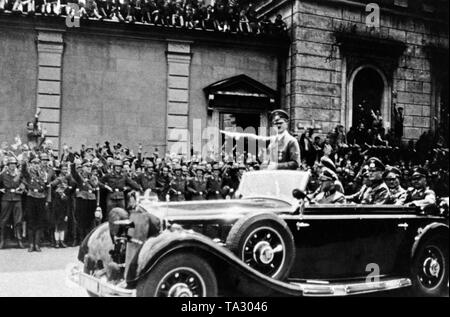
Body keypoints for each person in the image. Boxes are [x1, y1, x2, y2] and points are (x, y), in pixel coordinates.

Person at [21, 157, 49, 252]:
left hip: (41, 197)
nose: (36, 165)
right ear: (31, 165)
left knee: (39, 221)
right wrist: (24, 163)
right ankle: (31, 244)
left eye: (37, 164)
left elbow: (45, 185)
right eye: (34, 164)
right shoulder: (29, 173)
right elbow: (24, 171)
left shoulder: (43, 173)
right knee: (31, 220)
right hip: (31, 197)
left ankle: (37, 244)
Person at [70, 160, 99, 243]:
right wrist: (73, 164)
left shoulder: (93, 177)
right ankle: (82, 240)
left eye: (90, 166)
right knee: (82, 220)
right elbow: (73, 173)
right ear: (82, 168)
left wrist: (97, 204)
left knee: (91, 221)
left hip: (91, 200)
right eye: (87, 166)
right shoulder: (79, 177)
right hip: (82, 200)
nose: (89, 168)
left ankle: (90, 240)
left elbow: (97, 189)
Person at [0, 157, 26, 249]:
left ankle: (19, 240)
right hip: (6, 198)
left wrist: (21, 187)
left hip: (17, 198)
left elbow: (24, 183)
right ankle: (2, 240)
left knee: (18, 220)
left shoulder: (19, 174)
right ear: (8, 165)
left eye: (14, 164)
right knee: (3, 220)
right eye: (11, 164)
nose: (12, 165)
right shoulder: (3, 174)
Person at [49, 163, 73, 248]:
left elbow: (71, 187)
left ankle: (62, 241)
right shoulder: (57, 179)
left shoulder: (68, 179)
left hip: (65, 202)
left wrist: (65, 193)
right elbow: (51, 186)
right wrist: (59, 193)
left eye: (66, 169)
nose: (65, 171)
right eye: (63, 169)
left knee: (63, 225)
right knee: (57, 225)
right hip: (57, 203)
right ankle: (56, 242)